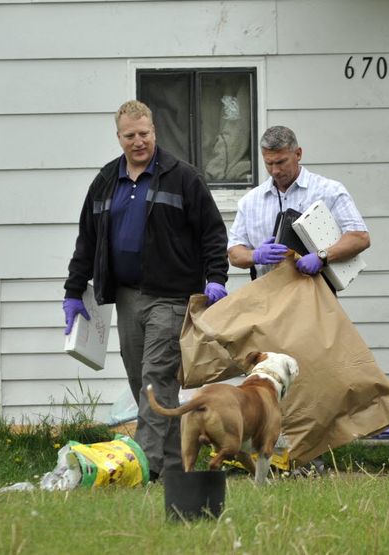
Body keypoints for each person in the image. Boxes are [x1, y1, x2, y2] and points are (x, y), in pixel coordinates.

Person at [62, 100, 229, 481]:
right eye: (130, 136)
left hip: (171, 297)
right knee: (145, 385)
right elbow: (87, 240)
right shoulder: (106, 180)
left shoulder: (182, 177)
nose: (138, 142)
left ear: (155, 132)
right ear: (118, 137)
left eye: (145, 134)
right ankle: (173, 468)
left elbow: (212, 233)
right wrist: (73, 291)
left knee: (156, 379)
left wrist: (215, 277)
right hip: (126, 297)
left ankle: (145, 469)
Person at [227, 125, 370, 280]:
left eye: (281, 162)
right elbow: (234, 254)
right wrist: (255, 255)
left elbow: (360, 237)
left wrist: (322, 256)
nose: (275, 170)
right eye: (269, 163)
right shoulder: (250, 201)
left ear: (298, 154)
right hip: (268, 295)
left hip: (316, 292)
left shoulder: (329, 190)